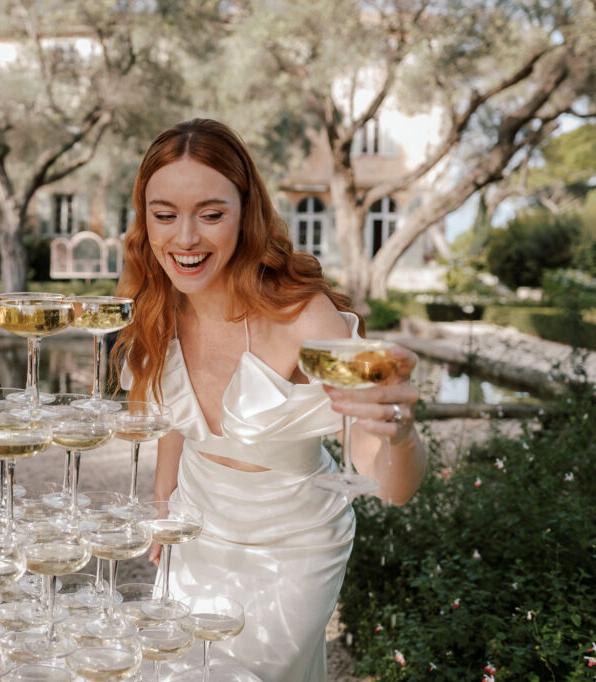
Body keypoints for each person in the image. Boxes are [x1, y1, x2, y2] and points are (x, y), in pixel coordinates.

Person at [112, 118, 426, 681]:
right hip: (196, 540)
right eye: (165, 215)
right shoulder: (153, 305)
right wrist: (164, 505)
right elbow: (172, 421)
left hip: (294, 550)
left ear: (246, 212)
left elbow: (392, 486)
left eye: (211, 214)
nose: (185, 238)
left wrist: (400, 434)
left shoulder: (301, 316)